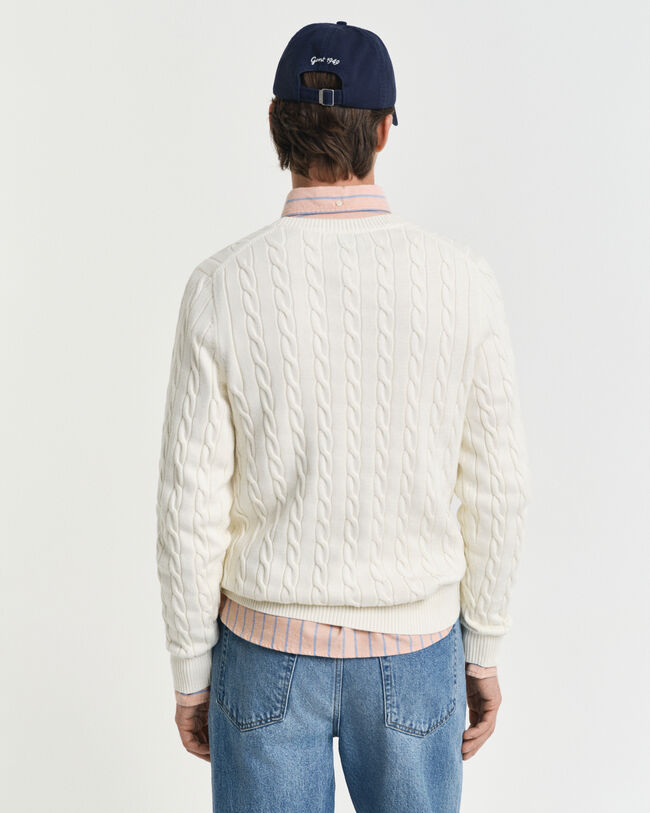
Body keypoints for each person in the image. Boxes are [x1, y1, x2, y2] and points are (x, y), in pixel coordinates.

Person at [156, 20, 531, 813]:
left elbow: (190, 504)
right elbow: (497, 487)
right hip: (416, 648)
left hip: (264, 647)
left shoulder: (221, 286)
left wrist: (191, 668)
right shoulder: (463, 282)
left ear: (275, 122)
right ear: (385, 129)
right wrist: (485, 644)